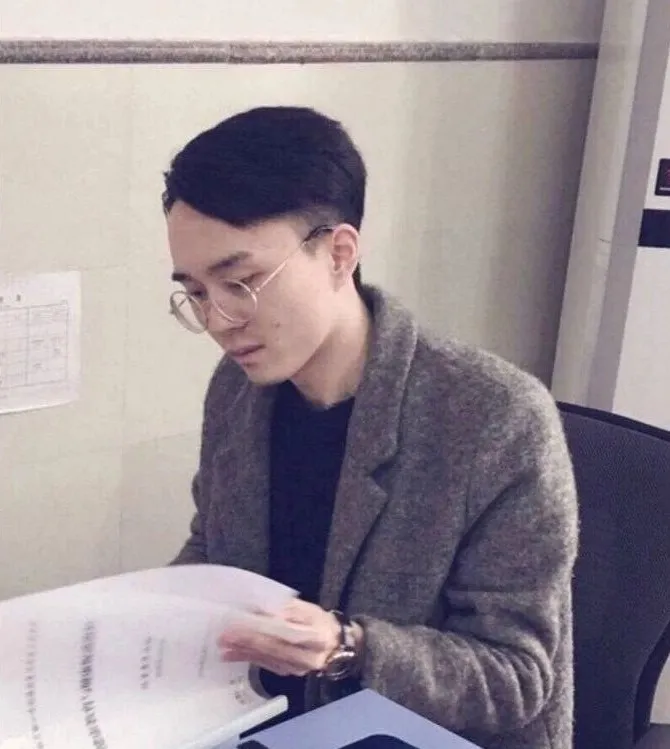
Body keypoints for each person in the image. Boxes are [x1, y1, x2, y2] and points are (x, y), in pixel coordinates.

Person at [163, 105, 578, 749]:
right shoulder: (238, 391)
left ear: (339, 253)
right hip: (263, 724)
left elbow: (517, 678)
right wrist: (140, 617)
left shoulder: (494, 417)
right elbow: (213, 548)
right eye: (194, 292)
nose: (218, 321)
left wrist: (348, 648)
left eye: (240, 282)